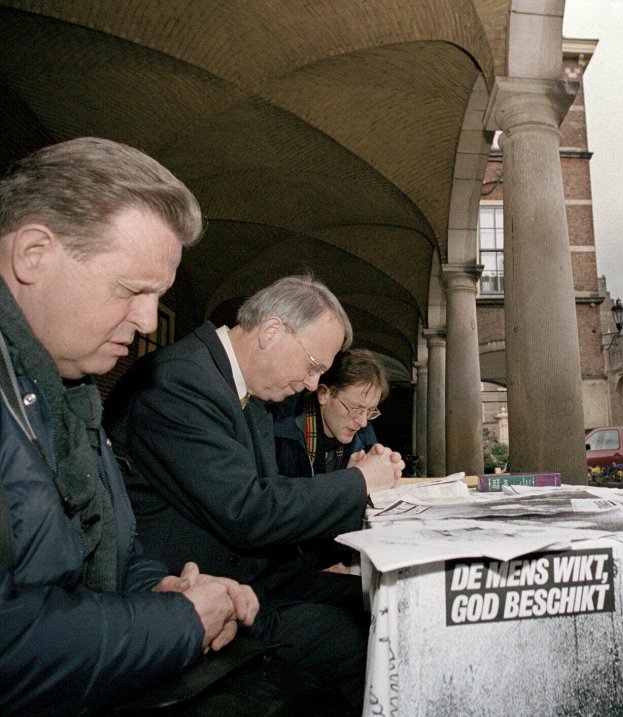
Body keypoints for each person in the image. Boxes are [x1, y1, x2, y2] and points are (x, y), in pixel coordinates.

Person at [0, 137, 259, 716]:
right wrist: (179, 622)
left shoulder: (72, 389)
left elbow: (119, 549)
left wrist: (157, 589)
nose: (147, 322)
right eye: (133, 290)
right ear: (33, 254)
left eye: (158, 297)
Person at [104, 274, 405, 714]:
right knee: (366, 638)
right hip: (200, 592)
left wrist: (353, 485)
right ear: (271, 332)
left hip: (257, 574)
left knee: (385, 603)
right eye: (312, 364)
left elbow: (271, 494)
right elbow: (247, 512)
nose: (311, 383)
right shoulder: (181, 381)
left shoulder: (242, 390)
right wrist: (358, 484)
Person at [273, 348, 393, 571]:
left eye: (370, 411)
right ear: (324, 394)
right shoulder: (280, 439)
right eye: (356, 409)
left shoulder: (361, 439)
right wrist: (347, 484)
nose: (363, 422)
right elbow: (277, 520)